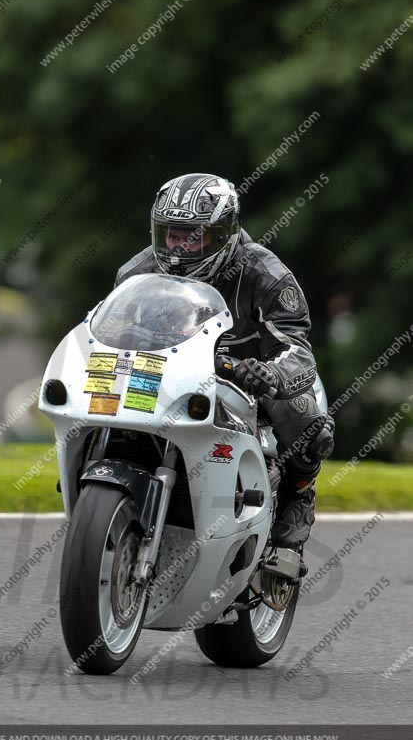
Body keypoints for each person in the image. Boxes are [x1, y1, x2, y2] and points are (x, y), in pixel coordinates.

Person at [114, 173, 334, 547]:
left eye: (193, 235)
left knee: (303, 416)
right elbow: (108, 333)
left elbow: (297, 346)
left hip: (248, 384)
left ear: (223, 232)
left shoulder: (265, 275)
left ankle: (298, 494)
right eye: (172, 234)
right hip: (167, 379)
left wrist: (271, 373)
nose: (179, 246)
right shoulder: (135, 274)